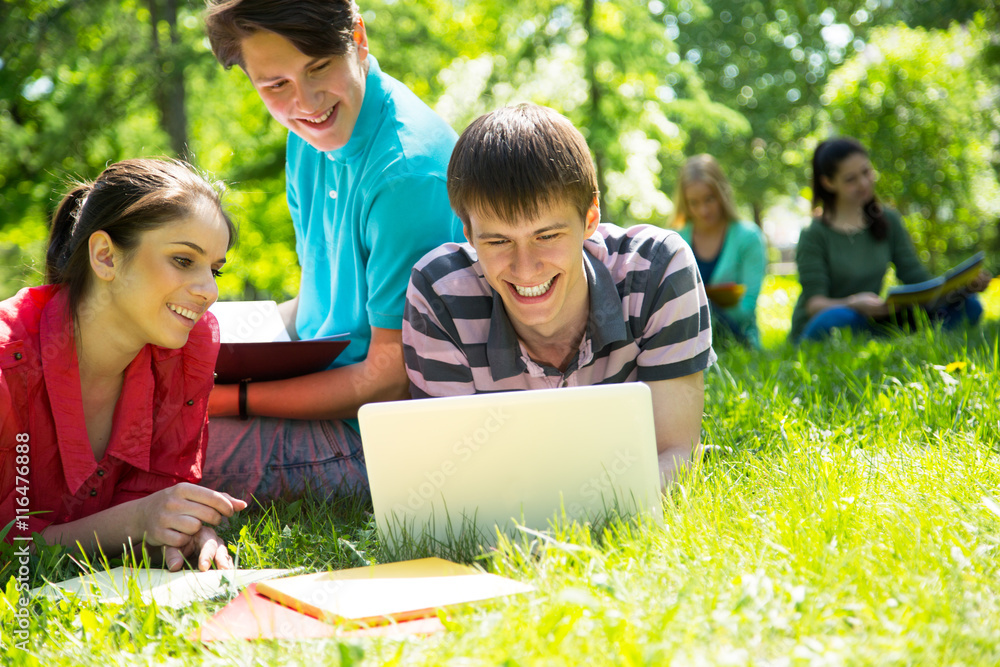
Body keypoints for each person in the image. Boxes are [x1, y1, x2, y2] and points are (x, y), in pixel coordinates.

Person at [201, 0, 463, 501]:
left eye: (318, 66)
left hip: (380, 438)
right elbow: (317, 308)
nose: (306, 100)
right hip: (323, 392)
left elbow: (390, 376)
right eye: (275, 86)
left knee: (155, 449)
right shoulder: (309, 137)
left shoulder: (406, 174)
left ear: (358, 38)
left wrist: (233, 398)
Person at [402, 104, 715, 484]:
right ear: (468, 235)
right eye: (499, 240)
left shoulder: (658, 270)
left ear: (590, 219)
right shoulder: (440, 296)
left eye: (547, 236)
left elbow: (675, 453)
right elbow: (455, 480)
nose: (525, 267)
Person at [0, 159, 245, 572]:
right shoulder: (8, 365)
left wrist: (179, 526)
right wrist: (135, 521)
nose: (209, 291)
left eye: (215, 269)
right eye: (184, 260)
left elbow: (153, 497)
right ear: (105, 257)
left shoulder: (184, 355)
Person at [790, 137, 990, 342]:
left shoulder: (888, 220)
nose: (864, 183)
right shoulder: (814, 233)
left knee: (969, 304)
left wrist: (961, 287)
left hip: (875, 320)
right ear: (828, 182)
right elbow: (814, 305)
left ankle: (899, 338)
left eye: (866, 172)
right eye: (851, 179)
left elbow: (917, 278)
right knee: (837, 318)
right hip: (829, 323)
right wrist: (853, 303)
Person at [673, 154, 768, 347]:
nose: (703, 211)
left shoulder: (748, 237)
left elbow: (747, 309)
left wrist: (704, 306)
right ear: (685, 203)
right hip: (685, 341)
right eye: (694, 203)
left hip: (737, 338)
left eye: (709, 199)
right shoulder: (674, 240)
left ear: (722, 194)